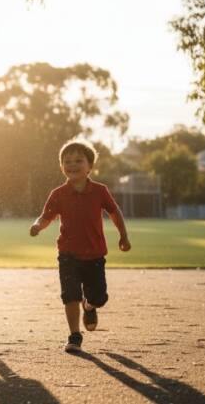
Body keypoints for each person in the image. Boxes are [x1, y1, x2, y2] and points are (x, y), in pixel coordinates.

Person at [30, 140, 131, 353]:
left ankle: (90, 306)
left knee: (99, 297)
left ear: (90, 166)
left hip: (94, 255)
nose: (72, 165)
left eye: (78, 161)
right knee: (70, 295)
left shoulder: (99, 191)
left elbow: (114, 212)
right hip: (68, 255)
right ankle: (74, 335)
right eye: (67, 161)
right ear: (61, 166)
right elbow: (46, 216)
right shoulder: (58, 193)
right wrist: (38, 225)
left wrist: (123, 235)